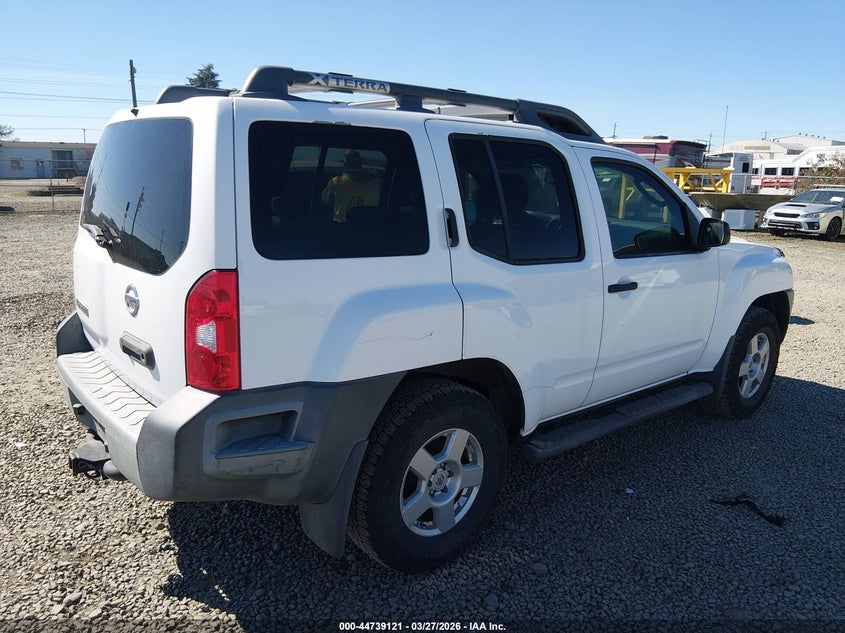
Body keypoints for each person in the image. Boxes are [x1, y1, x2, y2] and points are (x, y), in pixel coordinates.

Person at [321, 149, 381, 222]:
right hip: (369, 227)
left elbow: (326, 202)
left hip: (343, 227)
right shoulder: (376, 183)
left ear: (344, 164)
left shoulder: (336, 182)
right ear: (361, 162)